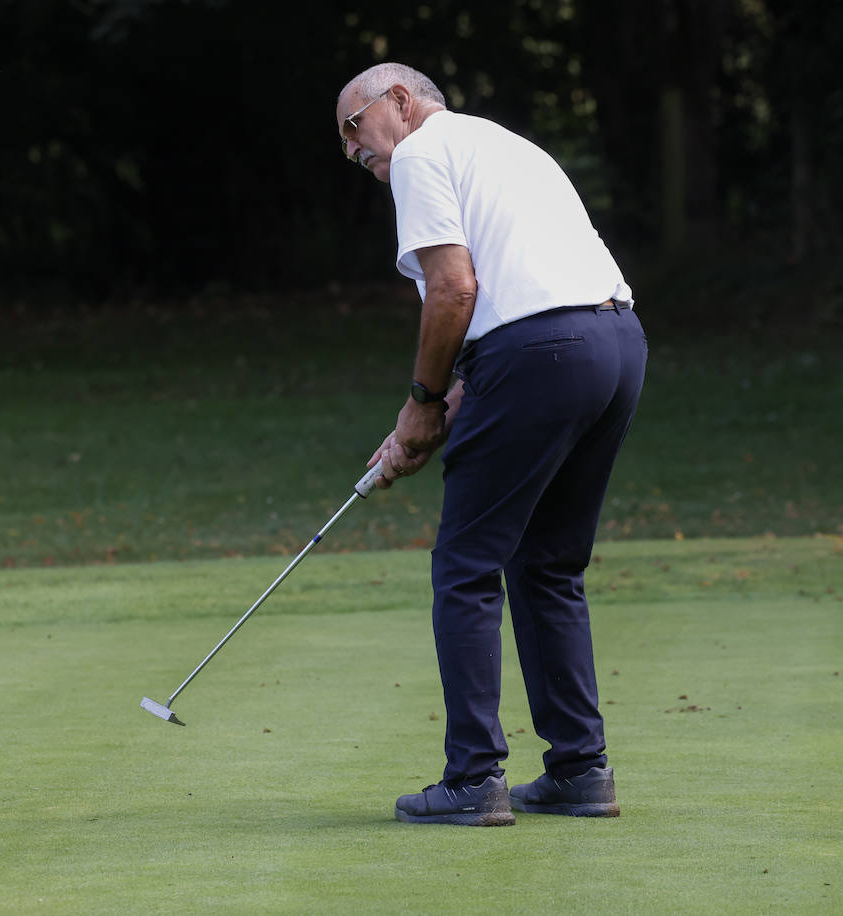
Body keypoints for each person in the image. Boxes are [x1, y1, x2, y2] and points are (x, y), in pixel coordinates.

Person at [335, 62, 647, 826]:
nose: (352, 151)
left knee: (466, 563)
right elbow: (511, 298)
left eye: (354, 127)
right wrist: (441, 407)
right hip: (615, 343)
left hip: (543, 351)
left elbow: (456, 289)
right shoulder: (506, 146)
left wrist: (420, 404)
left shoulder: (418, 153)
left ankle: (473, 779)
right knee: (546, 564)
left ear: (402, 102)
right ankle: (579, 770)